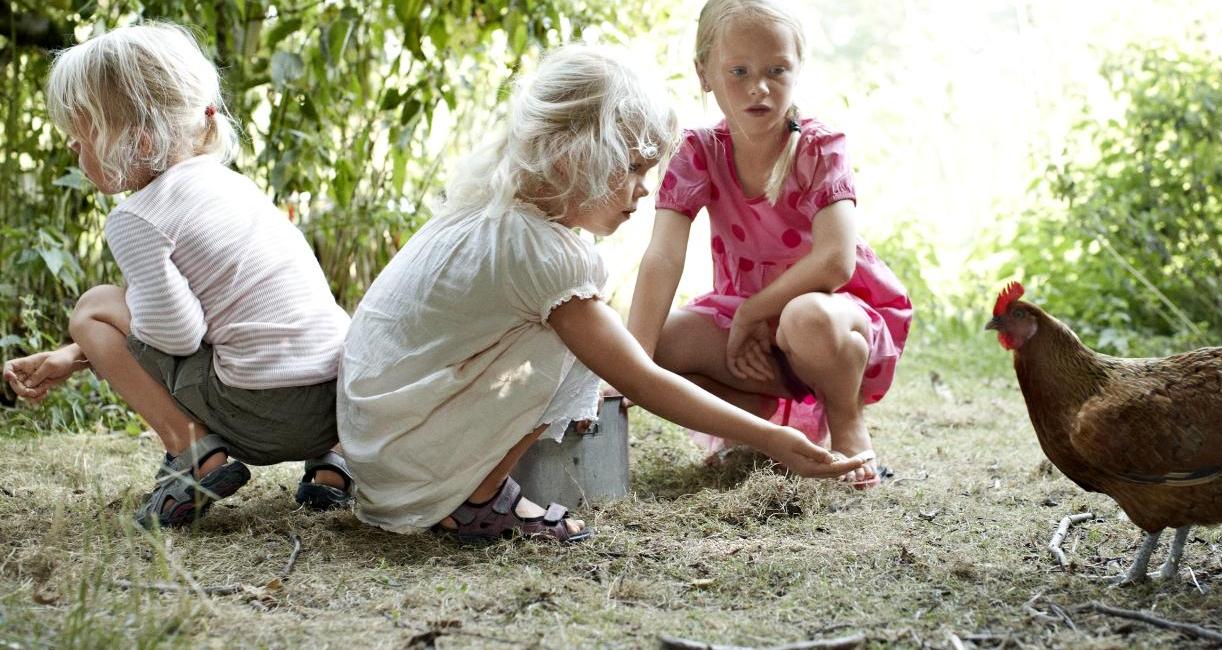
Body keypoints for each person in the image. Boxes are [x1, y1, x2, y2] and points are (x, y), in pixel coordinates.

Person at [336, 44, 866, 543]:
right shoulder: (543, 252)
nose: (644, 187)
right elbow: (639, 374)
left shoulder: (483, 212)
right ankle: (477, 500)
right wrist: (777, 441)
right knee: (580, 339)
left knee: (586, 330)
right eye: (633, 166)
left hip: (375, 451)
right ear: (573, 155)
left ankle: (468, 487)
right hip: (409, 472)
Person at [2, 23, 353, 527]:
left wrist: (90, 346)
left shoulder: (139, 216)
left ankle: (193, 455)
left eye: (80, 137)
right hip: (336, 405)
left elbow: (178, 333)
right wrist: (77, 360)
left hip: (262, 413)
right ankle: (332, 471)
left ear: (138, 141)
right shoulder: (233, 188)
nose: (73, 152)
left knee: (93, 307)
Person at [627, 0, 912, 488]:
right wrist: (628, 368)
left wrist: (752, 312)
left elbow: (835, 262)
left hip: (830, 318)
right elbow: (662, 256)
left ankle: (847, 426)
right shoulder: (698, 150)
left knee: (808, 317)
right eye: (738, 70)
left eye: (776, 69)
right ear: (705, 74)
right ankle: (762, 427)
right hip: (749, 332)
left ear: (798, 69)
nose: (758, 86)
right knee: (656, 343)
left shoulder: (820, 147)